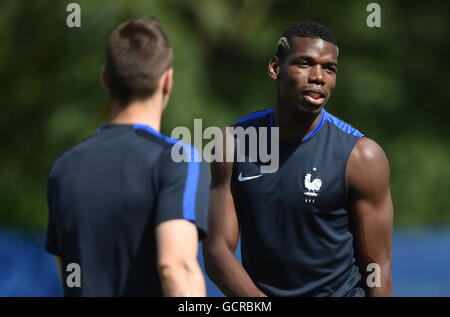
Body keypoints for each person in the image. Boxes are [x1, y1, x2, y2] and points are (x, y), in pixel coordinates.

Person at [203, 21, 393, 297]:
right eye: (305, 63)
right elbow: (216, 251)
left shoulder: (362, 156)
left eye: (329, 68)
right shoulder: (232, 143)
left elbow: (379, 269)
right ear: (275, 68)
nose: (318, 77)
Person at [45, 17, 210, 297]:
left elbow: (71, 277)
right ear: (167, 81)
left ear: (105, 79)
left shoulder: (63, 169)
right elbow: (176, 267)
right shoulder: (177, 161)